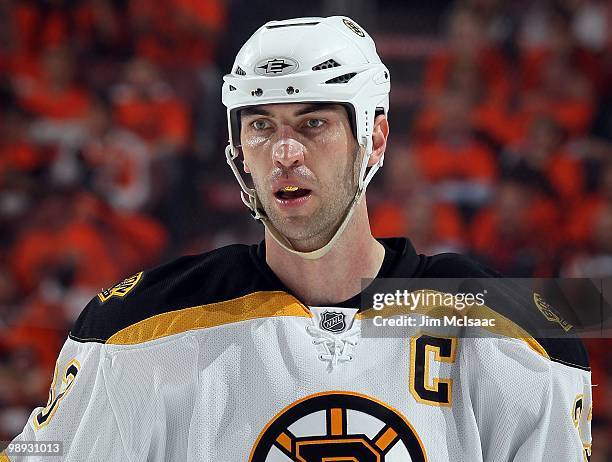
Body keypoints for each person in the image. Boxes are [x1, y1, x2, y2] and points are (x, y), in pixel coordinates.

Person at [4, 16, 592, 461]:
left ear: (374, 139)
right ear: (238, 152)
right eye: (262, 126)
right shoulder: (136, 331)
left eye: (314, 123)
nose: (285, 153)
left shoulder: (519, 329)